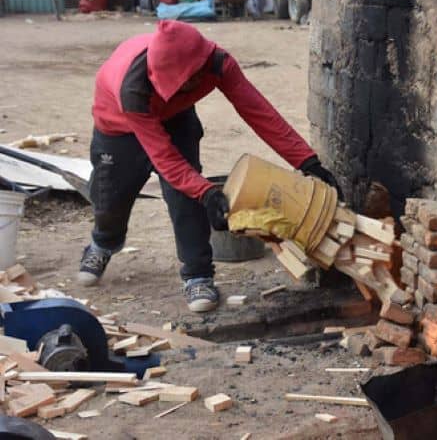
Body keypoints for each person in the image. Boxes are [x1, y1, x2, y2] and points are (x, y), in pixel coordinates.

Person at [79, 20, 339, 312]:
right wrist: (208, 192)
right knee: (110, 197)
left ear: (197, 69)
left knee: (184, 198)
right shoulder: (134, 88)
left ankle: (198, 275)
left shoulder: (217, 63)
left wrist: (307, 161)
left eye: (181, 85)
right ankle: (103, 243)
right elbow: (165, 158)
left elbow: (258, 112)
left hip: (175, 118)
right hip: (118, 125)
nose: (168, 90)